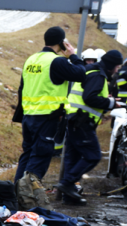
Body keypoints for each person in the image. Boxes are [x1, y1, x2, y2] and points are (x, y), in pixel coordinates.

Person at [13, 27, 86, 195]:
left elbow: (22, 88)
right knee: (40, 155)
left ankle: (16, 193)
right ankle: (27, 196)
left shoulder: (31, 60)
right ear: (62, 43)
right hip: (47, 118)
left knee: (27, 154)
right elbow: (81, 74)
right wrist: (73, 56)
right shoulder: (57, 61)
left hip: (29, 116)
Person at [59, 50, 126, 204]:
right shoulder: (98, 75)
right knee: (93, 156)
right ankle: (67, 183)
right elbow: (89, 98)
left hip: (74, 119)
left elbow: (87, 93)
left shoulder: (91, 70)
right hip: (82, 121)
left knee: (73, 157)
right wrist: (111, 103)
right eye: (116, 67)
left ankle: (68, 198)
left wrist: (105, 100)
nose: (117, 70)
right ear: (110, 65)